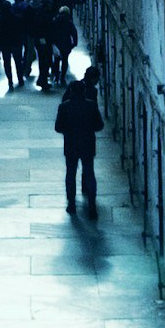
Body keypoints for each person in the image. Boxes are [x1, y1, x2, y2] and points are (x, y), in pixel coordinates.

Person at [55, 51, 103, 220]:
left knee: (70, 173)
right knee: (89, 173)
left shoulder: (64, 107)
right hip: (88, 144)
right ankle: (91, 206)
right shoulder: (91, 106)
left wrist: (69, 131)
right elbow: (99, 126)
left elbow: (58, 128)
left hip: (71, 145)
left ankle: (71, 204)